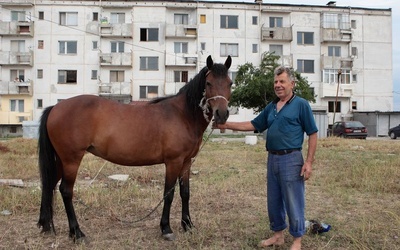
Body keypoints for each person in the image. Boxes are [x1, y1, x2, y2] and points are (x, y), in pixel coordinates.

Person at [213, 66, 318, 250]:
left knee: (294, 200)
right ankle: (278, 236)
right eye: (275, 82)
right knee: (274, 200)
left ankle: (297, 240)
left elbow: (313, 133)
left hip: (292, 159)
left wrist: (308, 162)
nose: (278, 85)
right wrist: (225, 124)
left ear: (292, 84)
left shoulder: (301, 105)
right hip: (273, 159)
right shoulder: (271, 107)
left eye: (282, 81)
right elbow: (253, 125)